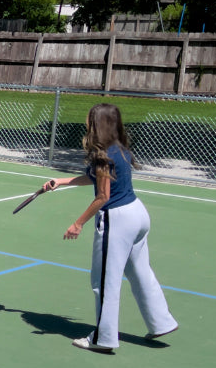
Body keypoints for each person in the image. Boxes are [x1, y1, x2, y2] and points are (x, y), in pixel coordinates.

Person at [42, 103, 178, 353]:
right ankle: (161, 322)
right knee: (140, 272)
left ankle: (102, 339)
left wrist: (77, 223)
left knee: (104, 282)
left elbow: (102, 196)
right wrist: (62, 181)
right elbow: (96, 178)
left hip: (118, 220)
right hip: (137, 214)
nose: (86, 122)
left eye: (89, 119)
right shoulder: (119, 148)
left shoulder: (102, 155)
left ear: (98, 125)